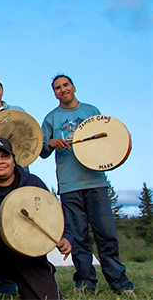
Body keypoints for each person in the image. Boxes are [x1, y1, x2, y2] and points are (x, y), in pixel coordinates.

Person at [40, 74, 135, 296]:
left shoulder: (91, 111)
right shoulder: (51, 118)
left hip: (95, 182)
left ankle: (119, 282)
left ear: (73, 87)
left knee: (106, 233)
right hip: (69, 185)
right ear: (54, 93)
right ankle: (85, 283)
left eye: (65, 85)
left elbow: (107, 142)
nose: (62, 90)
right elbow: (42, 151)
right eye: (57, 88)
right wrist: (51, 143)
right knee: (79, 237)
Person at [0, 137, 72, 299]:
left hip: (28, 257)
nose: (0, 161)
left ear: (14, 160)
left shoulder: (33, 183)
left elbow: (56, 216)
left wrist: (65, 237)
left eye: (5, 156)